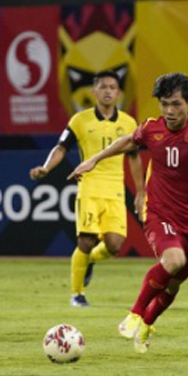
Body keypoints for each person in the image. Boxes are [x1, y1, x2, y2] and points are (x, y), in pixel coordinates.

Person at [69, 72, 188, 353]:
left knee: (172, 286)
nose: (169, 111)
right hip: (159, 213)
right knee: (174, 259)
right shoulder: (151, 129)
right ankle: (133, 314)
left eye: (176, 104)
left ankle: (146, 325)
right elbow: (127, 142)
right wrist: (94, 159)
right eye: (165, 104)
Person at [30, 70, 144, 307]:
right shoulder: (80, 121)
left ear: (119, 92)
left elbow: (134, 157)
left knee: (115, 245)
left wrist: (141, 192)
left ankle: (89, 261)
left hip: (115, 190)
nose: (108, 91)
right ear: (94, 91)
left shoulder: (128, 123)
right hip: (89, 187)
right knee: (86, 240)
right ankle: (77, 294)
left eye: (112, 87)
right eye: (103, 87)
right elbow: (61, 148)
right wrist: (46, 168)